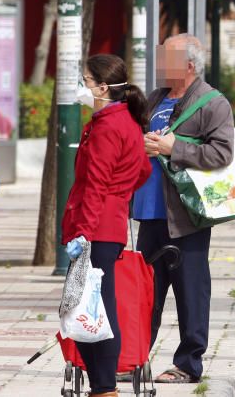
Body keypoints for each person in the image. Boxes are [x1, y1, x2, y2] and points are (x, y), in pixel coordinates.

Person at [136, 34, 235, 384]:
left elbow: (222, 154)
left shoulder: (213, 103)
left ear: (189, 66)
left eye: (167, 58)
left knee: (191, 291)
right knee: (145, 290)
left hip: (186, 217)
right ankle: (135, 357)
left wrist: (172, 148)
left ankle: (188, 364)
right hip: (149, 212)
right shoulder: (155, 99)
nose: (159, 63)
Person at [62, 54, 152, 397]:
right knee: (98, 305)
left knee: (92, 309)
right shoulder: (127, 120)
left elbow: (96, 184)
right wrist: (121, 193)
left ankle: (104, 386)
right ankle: (103, 385)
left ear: (102, 86)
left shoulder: (107, 126)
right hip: (108, 224)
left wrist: (82, 232)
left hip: (96, 227)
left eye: (86, 80)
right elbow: (142, 169)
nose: (83, 86)